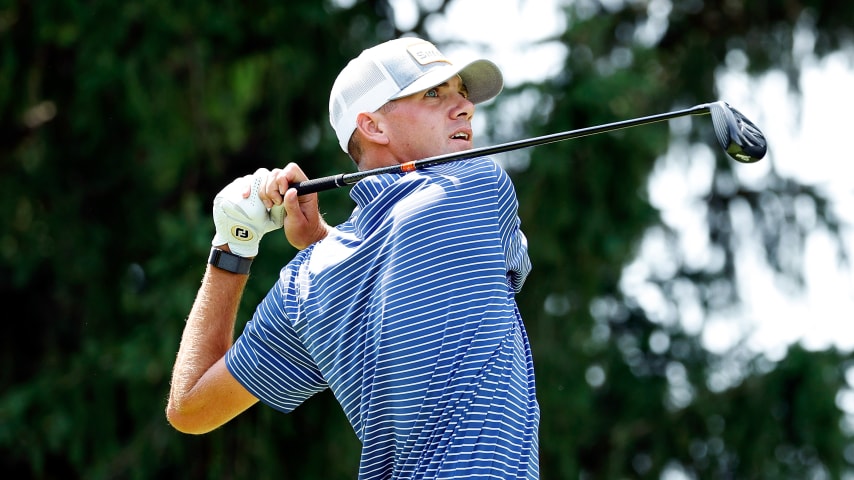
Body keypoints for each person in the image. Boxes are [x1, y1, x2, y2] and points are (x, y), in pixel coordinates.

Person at [166, 36, 540, 478]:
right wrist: (323, 239)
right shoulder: (478, 183)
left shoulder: (307, 283)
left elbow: (190, 407)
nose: (464, 108)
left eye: (461, 93)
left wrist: (234, 243)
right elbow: (502, 271)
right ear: (374, 127)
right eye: (435, 93)